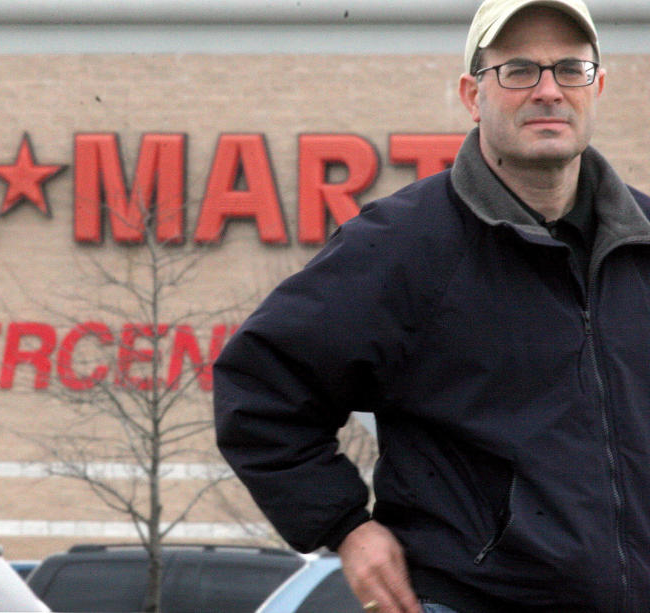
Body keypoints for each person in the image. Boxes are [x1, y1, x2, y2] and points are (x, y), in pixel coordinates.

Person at [213, 0, 650, 611]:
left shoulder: (642, 242)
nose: (549, 90)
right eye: (519, 70)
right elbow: (258, 390)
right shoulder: (402, 247)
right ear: (473, 96)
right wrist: (345, 527)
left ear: (596, 87)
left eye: (570, 69)